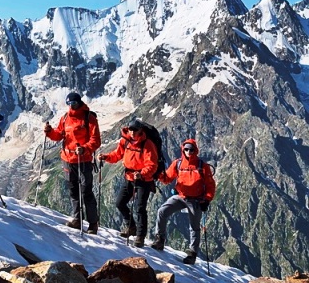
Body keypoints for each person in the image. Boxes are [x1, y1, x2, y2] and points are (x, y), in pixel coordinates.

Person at [151, 139, 216, 264]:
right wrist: (158, 174)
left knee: (194, 227)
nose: (189, 152)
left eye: (191, 149)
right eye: (186, 149)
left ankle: (192, 254)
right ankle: (160, 239)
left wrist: (207, 200)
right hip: (181, 196)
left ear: (195, 150)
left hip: (196, 200)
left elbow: (210, 185)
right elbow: (167, 178)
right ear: (183, 150)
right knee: (162, 211)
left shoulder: (202, 166)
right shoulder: (178, 164)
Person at [44, 92, 101, 234]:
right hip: (68, 160)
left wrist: (85, 149)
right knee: (73, 191)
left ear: (79, 102)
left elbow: (96, 140)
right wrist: (50, 132)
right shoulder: (65, 118)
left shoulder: (89, 118)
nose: (72, 106)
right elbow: (59, 135)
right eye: (69, 104)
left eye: (74, 103)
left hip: (84, 160)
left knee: (86, 191)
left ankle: (93, 224)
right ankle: (77, 219)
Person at [98, 119, 158, 247]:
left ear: (141, 130)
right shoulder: (125, 141)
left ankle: (140, 236)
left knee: (140, 208)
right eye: (130, 129)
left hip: (143, 180)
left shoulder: (147, 144)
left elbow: (152, 165)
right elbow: (117, 155)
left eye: (135, 130)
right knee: (120, 203)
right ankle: (131, 227)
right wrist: (106, 157)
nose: (132, 132)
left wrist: (142, 173)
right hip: (129, 177)